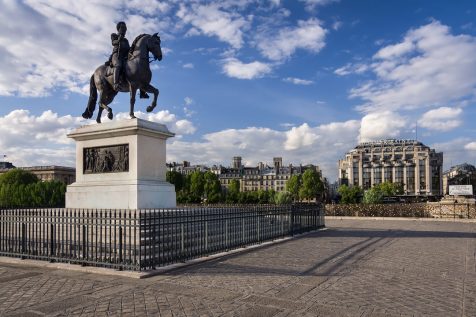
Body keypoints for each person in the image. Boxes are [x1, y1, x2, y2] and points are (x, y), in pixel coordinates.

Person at [111, 21, 130, 90]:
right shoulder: (114, 35)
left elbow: (128, 49)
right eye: (122, 28)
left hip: (125, 56)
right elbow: (113, 42)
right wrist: (119, 40)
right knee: (118, 65)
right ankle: (115, 84)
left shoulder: (126, 40)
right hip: (117, 54)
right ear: (119, 29)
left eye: (125, 28)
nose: (124, 29)